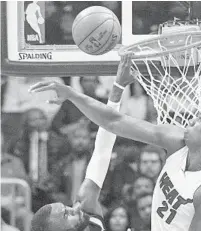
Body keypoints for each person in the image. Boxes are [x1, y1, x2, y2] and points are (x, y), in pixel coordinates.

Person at [29, 53, 201, 231]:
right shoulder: (182, 143)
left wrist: (109, 90)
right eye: (67, 214)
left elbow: (108, 135)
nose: (73, 208)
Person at [29, 56, 132, 231]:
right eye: (66, 214)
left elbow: (102, 150)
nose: (75, 207)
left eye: (67, 207)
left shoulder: (85, 208)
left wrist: (118, 88)